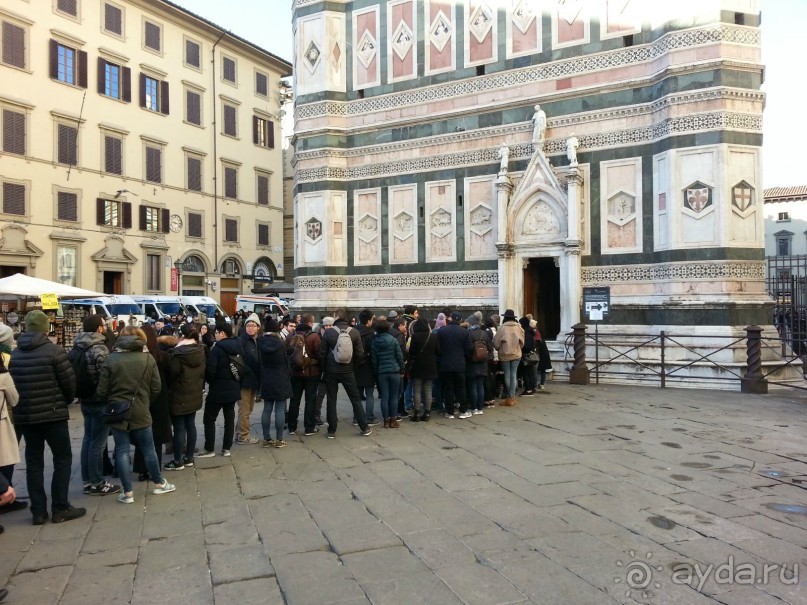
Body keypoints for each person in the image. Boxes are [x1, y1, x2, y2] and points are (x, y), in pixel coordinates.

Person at [10, 310, 83, 525]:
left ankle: (38, 511)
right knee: (62, 459)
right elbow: (69, 384)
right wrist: (64, 401)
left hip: (26, 416)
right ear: (45, 327)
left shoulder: (15, 354)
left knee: (33, 462)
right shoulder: (55, 351)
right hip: (53, 414)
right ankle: (60, 507)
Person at [97, 326, 175, 503]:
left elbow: (101, 391)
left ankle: (128, 492)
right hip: (141, 408)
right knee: (148, 448)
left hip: (118, 410)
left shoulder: (111, 359)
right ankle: (159, 483)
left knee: (122, 450)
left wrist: (112, 400)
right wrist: (144, 400)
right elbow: (156, 387)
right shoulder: (148, 359)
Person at [72, 315, 119, 496]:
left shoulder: (78, 345)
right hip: (99, 400)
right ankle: (97, 482)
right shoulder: (99, 349)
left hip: (84, 398)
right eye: (104, 325)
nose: (106, 327)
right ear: (99, 328)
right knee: (98, 443)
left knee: (88, 439)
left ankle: (87, 479)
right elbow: (107, 375)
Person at [318, 309, 373, 438]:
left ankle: (332, 430)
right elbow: (360, 353)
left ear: (336, 318)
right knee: (355, 399)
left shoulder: (329, 332)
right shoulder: (354, 332)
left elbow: (322, 353)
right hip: (348, 370)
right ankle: (364, 427)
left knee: (331, 399)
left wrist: (324, 369)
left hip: (331, 371)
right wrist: (353, 365)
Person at [163, 323, 206, 470]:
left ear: (181, 336)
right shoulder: (200, 349)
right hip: (194, 393)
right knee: (191, 425)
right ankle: (188, 458)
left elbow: (171, 375)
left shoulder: (176, 354)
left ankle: (177, 460)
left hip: (179, 394)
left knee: (180, 428)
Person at [198, 322, 241, 457]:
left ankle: (209, 448)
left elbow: (211, 370)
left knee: (209, 418)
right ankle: (226, 448)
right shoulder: (238, 346)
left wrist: (210, 381)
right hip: (233, 388)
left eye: (216, 332)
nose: (215, 335)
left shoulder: (217, 349)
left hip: (217, 389)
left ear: (223, 333)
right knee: (229, 418)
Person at [286, 314, 322, 436]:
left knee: (294, 399)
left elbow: (288, 355)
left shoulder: (291, 336)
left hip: (295, 373)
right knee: (310, 400)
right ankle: (309, 428)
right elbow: (319, 355)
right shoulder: (314, 337)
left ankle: (291, 427)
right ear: (311, 323)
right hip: (311, 373)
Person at [259, 318, 291, 448]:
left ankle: (266, 438)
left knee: (267, 409)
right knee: (280, 410)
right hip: (280, 377)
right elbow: (285, 360)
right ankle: (279, 439)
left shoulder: (260, 342)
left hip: (266, 377)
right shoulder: (281, 343)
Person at [436, 311, 473, 419]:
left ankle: (450, 411)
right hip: (460, 364)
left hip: (445, 363)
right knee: (461, 387)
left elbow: (438, 348)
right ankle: (463, 411)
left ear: (450, 318)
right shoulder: (464, 332)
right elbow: (469, 348)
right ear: (461, 320)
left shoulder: (442, 331)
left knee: (448, 388)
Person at [0, 345, 22, 518]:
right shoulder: (3, 376)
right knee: (5, 462)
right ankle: (5, 495)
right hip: (1, 425)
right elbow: (14, 400)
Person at [370, 318, 404, 428]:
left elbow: (374, 360)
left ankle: (385, 420)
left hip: (382, 372)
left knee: (384, 396)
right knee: (394, 396)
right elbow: (399, 356)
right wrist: (402, 369)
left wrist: (376, 373)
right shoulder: (393, 340)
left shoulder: (374, 341)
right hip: (394, 370)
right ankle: (393, 420)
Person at [405, 317, 440, 422]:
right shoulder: (433, 336)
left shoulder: (415, 336)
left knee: (416, 390)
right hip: (430, 366)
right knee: (428, 390)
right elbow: (438, 351)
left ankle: (416, 413)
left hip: (417, 366)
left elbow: (411, 352)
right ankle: (427, 413)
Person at [236, 313, 261, 445]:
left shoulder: (258, 340)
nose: (250, 328)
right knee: (244, 410)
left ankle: (239, 433)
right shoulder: (242, 341)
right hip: (245, 380)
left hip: (253, 380)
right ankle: (243, 436)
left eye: (253, 325)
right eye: (248, 325)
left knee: (248, 409)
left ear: (258, 327)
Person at [493, 309, 525, 406]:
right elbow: (522, 343)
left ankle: (509, 397)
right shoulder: (519, 328)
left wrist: (499, 349)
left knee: (507, 375)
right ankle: (512, 397)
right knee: (513, 375)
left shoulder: (502, 328)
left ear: (505, 317)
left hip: (505, 355)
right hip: (516, 354)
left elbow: (496, 343)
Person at [353, 309, 378, 427]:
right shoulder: (372, 334)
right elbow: (373, 352)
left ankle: (356, 417)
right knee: (369, 394)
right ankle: (369, 417)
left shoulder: (353, 331)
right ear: (368, 321)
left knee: (356, 395)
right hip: (368, 367)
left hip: (355, 366)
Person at [466, 314, 492, 415]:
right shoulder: (484, 334)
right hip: (483, 363)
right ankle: (480, 408)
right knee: (480, 386)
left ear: (471, 322)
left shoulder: (469, 334)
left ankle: (474, 408)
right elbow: (490, 348)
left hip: (472, 363)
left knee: (472, 386)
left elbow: (467, 350)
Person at [519, 316, 537, 396]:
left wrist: (522, 350)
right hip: (531, 355)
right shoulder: (530, 331)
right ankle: (532, 388)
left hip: (526, 356)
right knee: (530, 372)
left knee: (526, 373)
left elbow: (527, 345)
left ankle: (528, 389)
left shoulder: (526, 333)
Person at [532, 320, 552, 390]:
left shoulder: (534, 334)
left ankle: (535, 385)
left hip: (538, 354)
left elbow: (536, 345)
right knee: (542, 370)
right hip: (543, 353)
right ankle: (541, 384)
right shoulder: (539, 332)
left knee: (535, 370)